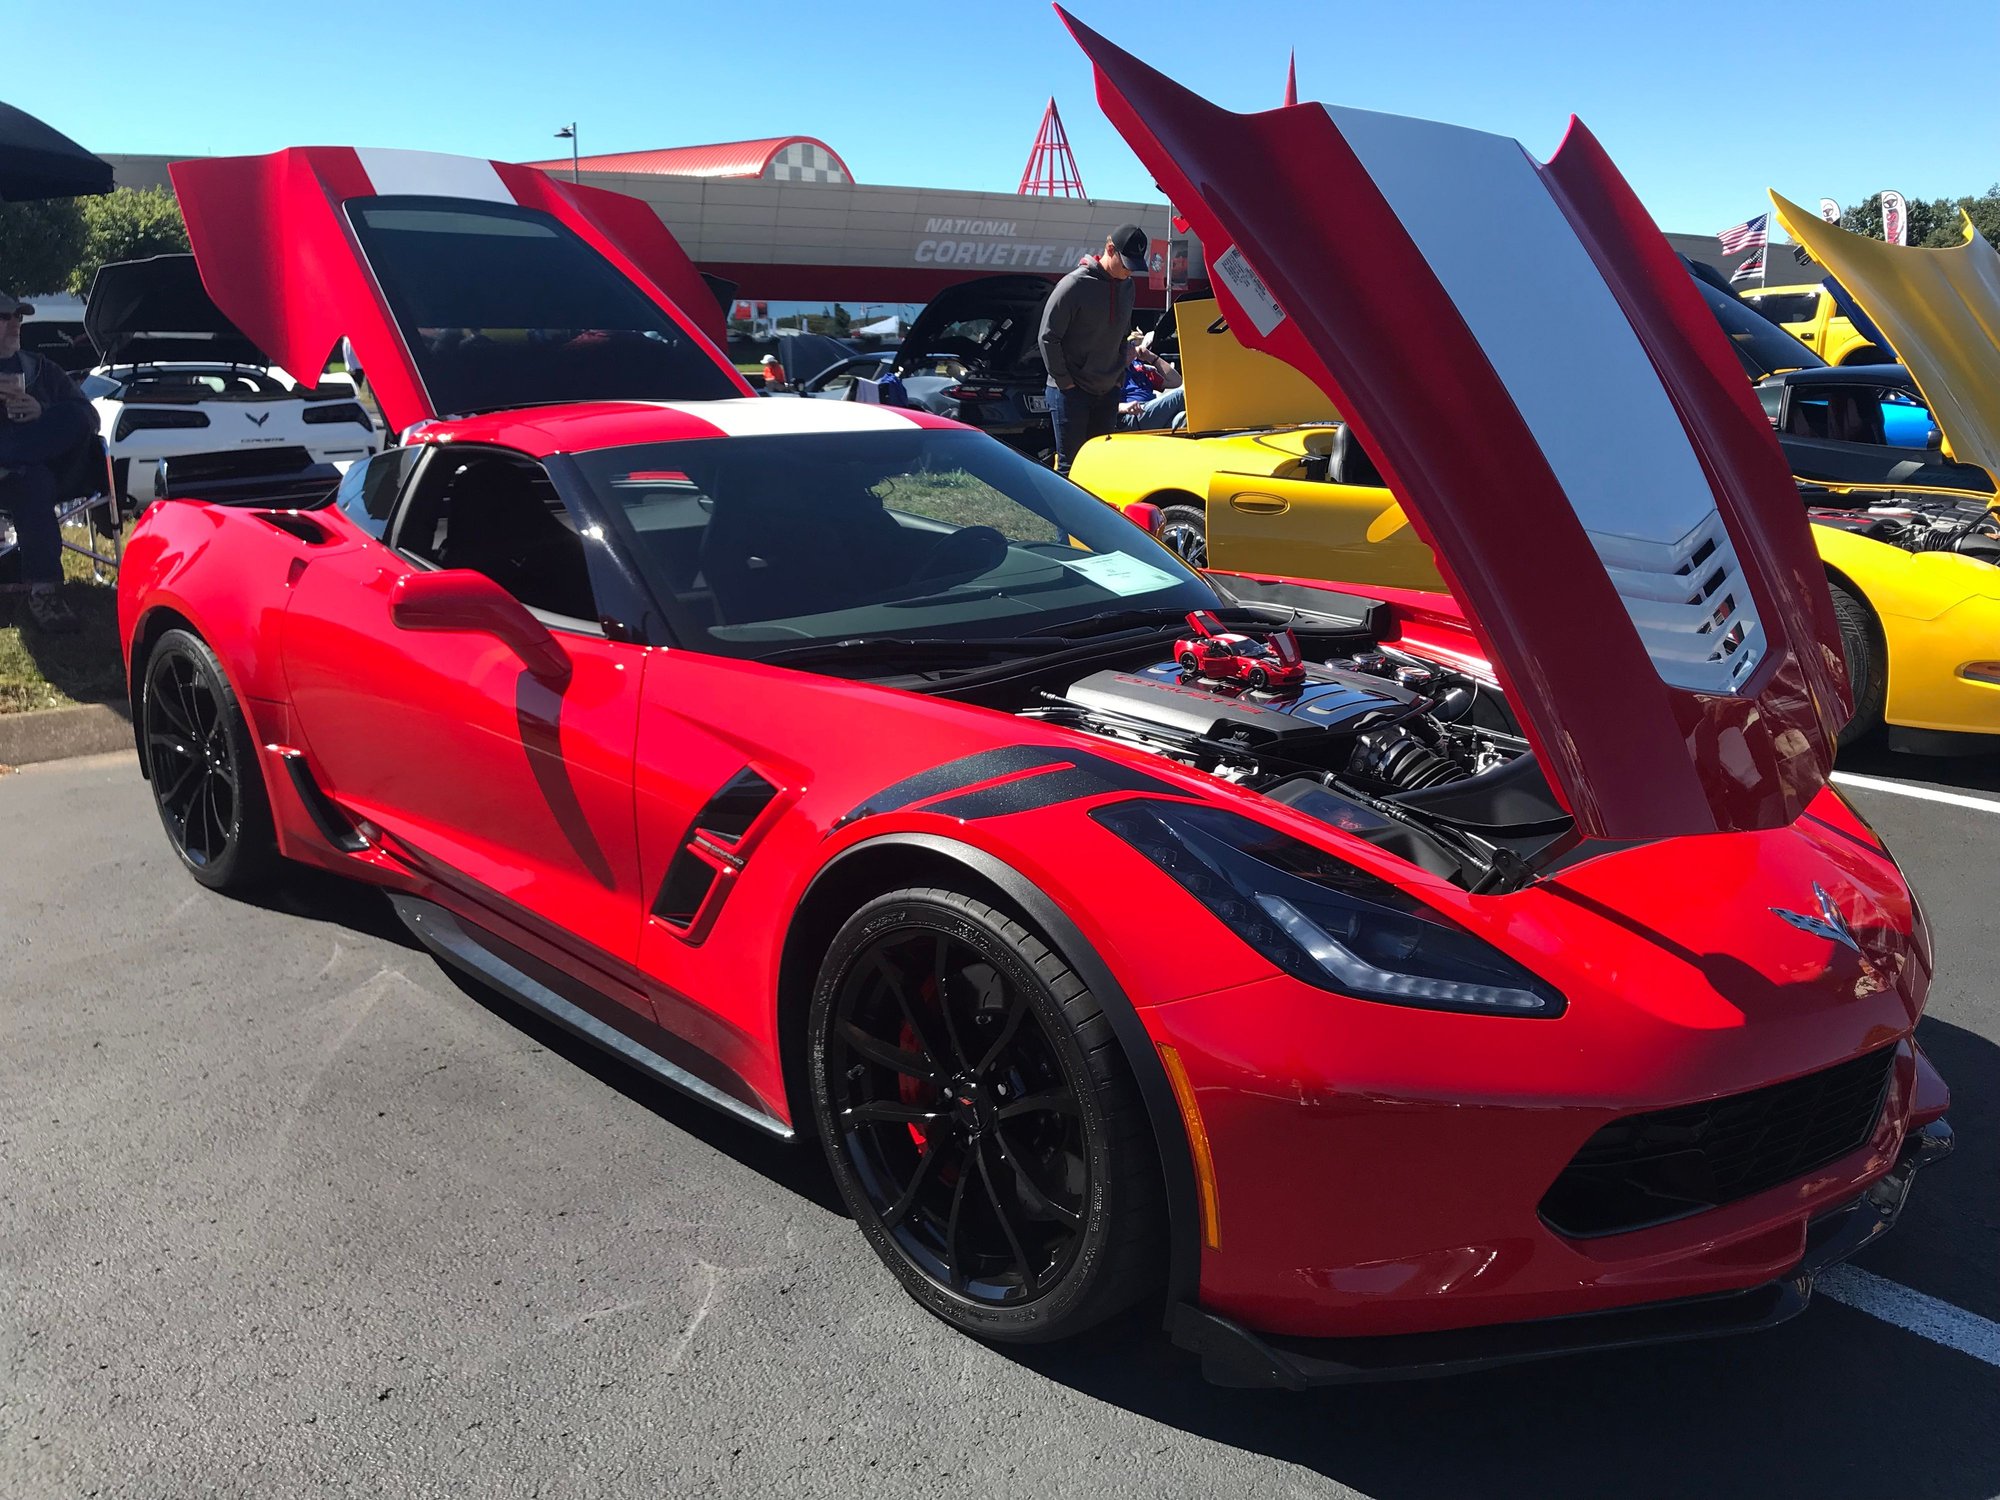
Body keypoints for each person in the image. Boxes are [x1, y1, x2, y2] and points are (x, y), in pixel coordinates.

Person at [0, 293, 101, 633]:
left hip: (46, 474)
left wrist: (42, 411)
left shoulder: (41, 369)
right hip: (19, 481)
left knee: (71, 418)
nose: (15, 324)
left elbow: (89, 417)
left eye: (19, 317)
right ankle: (44, 591)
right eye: (5, 317)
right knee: (32, 478)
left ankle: (13, 456)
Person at [1038, 223, 1148, 471]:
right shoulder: (1074, 285)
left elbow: (1123, 334)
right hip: (1071, 392)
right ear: (1110, 249)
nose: (1129, 271)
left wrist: (1118, 379)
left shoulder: (1128, 287)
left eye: (1134, 266)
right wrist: (1065, 382)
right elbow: (1047, 337)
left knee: (1100, 467)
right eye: (1126, 264)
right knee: (1072, 465)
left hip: (1107, 391)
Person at [1117, 329, 1186, 431]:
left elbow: (1175, 381)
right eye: (1128, 344)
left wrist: (1151, 358)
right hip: (1129, 417)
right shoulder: (1111, 373)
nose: (1132, 347)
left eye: (1132, 343)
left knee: (1184, 418)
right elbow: (1099, 403)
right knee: (1180, 396)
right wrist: (1123, 407)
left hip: (1149, 412)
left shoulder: (1140, 368)